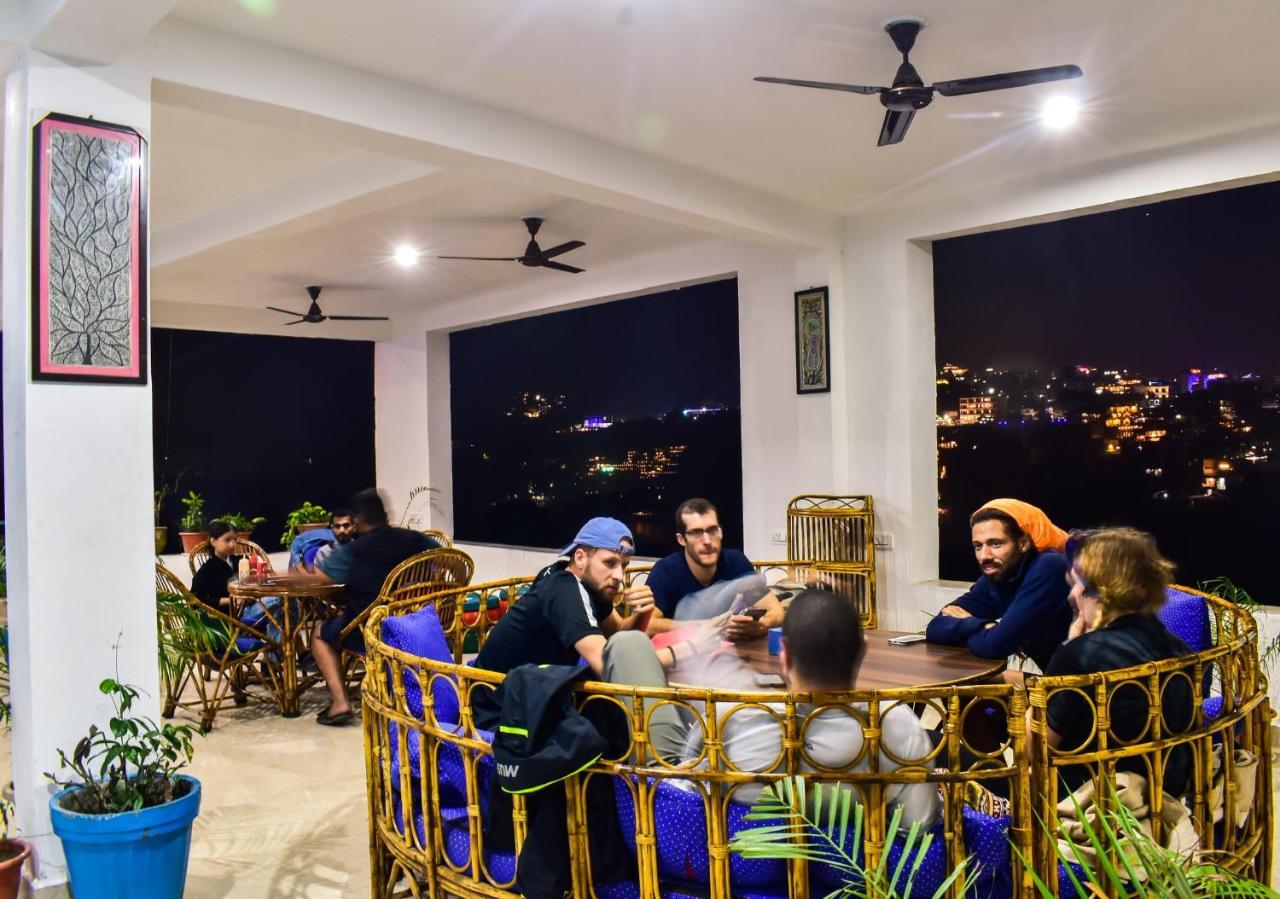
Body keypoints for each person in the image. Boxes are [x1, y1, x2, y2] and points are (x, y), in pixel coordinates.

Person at [674, 588, 939, 825]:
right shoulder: (899, 725)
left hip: (740, 874)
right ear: (863, 649)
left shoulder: (728, 718)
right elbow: (918, 827)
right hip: (862, 877)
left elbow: (686, 798)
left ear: (784, 653)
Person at [472, 517, 722, 750]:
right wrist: (693, 648)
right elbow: (613, 668)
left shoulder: (580, 581)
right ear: (580, 557)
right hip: (503, 710)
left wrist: (643, 612)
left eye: (623, 566)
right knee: (615, 716)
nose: (619, 577)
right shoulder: (566, 591)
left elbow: (619, 633)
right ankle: (662, 775)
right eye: (610, 563)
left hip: (531, 693)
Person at [1037, 527, 1193, 796]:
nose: (1071, 595)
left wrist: (1069, 644)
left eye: (1075, 582)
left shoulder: (1080, 655)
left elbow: (1033, 749)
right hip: (1167, 801)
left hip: (1095, 812)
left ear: (1096, 588)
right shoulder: (1180, 649)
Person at [291, 488, 439, 726]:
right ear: (385, 515)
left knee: (320, 632)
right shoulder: (414, 539)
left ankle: (340, 703)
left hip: (370, 630)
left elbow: (319, 579)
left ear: (357, 521)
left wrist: (288, 575)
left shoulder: (354, 551)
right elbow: (445, 555)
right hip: (413, 625)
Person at [925, 501, 1071, 675]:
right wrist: (984, 625)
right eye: (978, 546)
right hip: (1058, 683)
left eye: (996, 544)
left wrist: (975, 626)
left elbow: (994, 646)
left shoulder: (1050, 566)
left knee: (973, 686)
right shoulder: (1000, 575)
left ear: (1023, 543)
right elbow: (935, 627)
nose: (984, 556)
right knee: (959, 680)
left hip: (1093, 689)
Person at [644, 497, 784, 642]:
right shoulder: (666, 570)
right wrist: (705, 626)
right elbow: (647, 624)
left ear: (721, 533)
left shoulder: (736, 562)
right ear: (681, 539)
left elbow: (777, 611)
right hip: (682, 656)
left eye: (712, 530)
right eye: (696, 533)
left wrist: (760, 626)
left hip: (732, 655)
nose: (707, 541)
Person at [189, 520, 240, 612]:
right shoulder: (207, 569)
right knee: (273, 602)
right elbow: (194, 600)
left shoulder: (240, 561)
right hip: (230, 616)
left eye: (235, 540)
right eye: (227, 540)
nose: (233, 545)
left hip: (250, 606)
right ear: (213, 541)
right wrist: (228, 601)